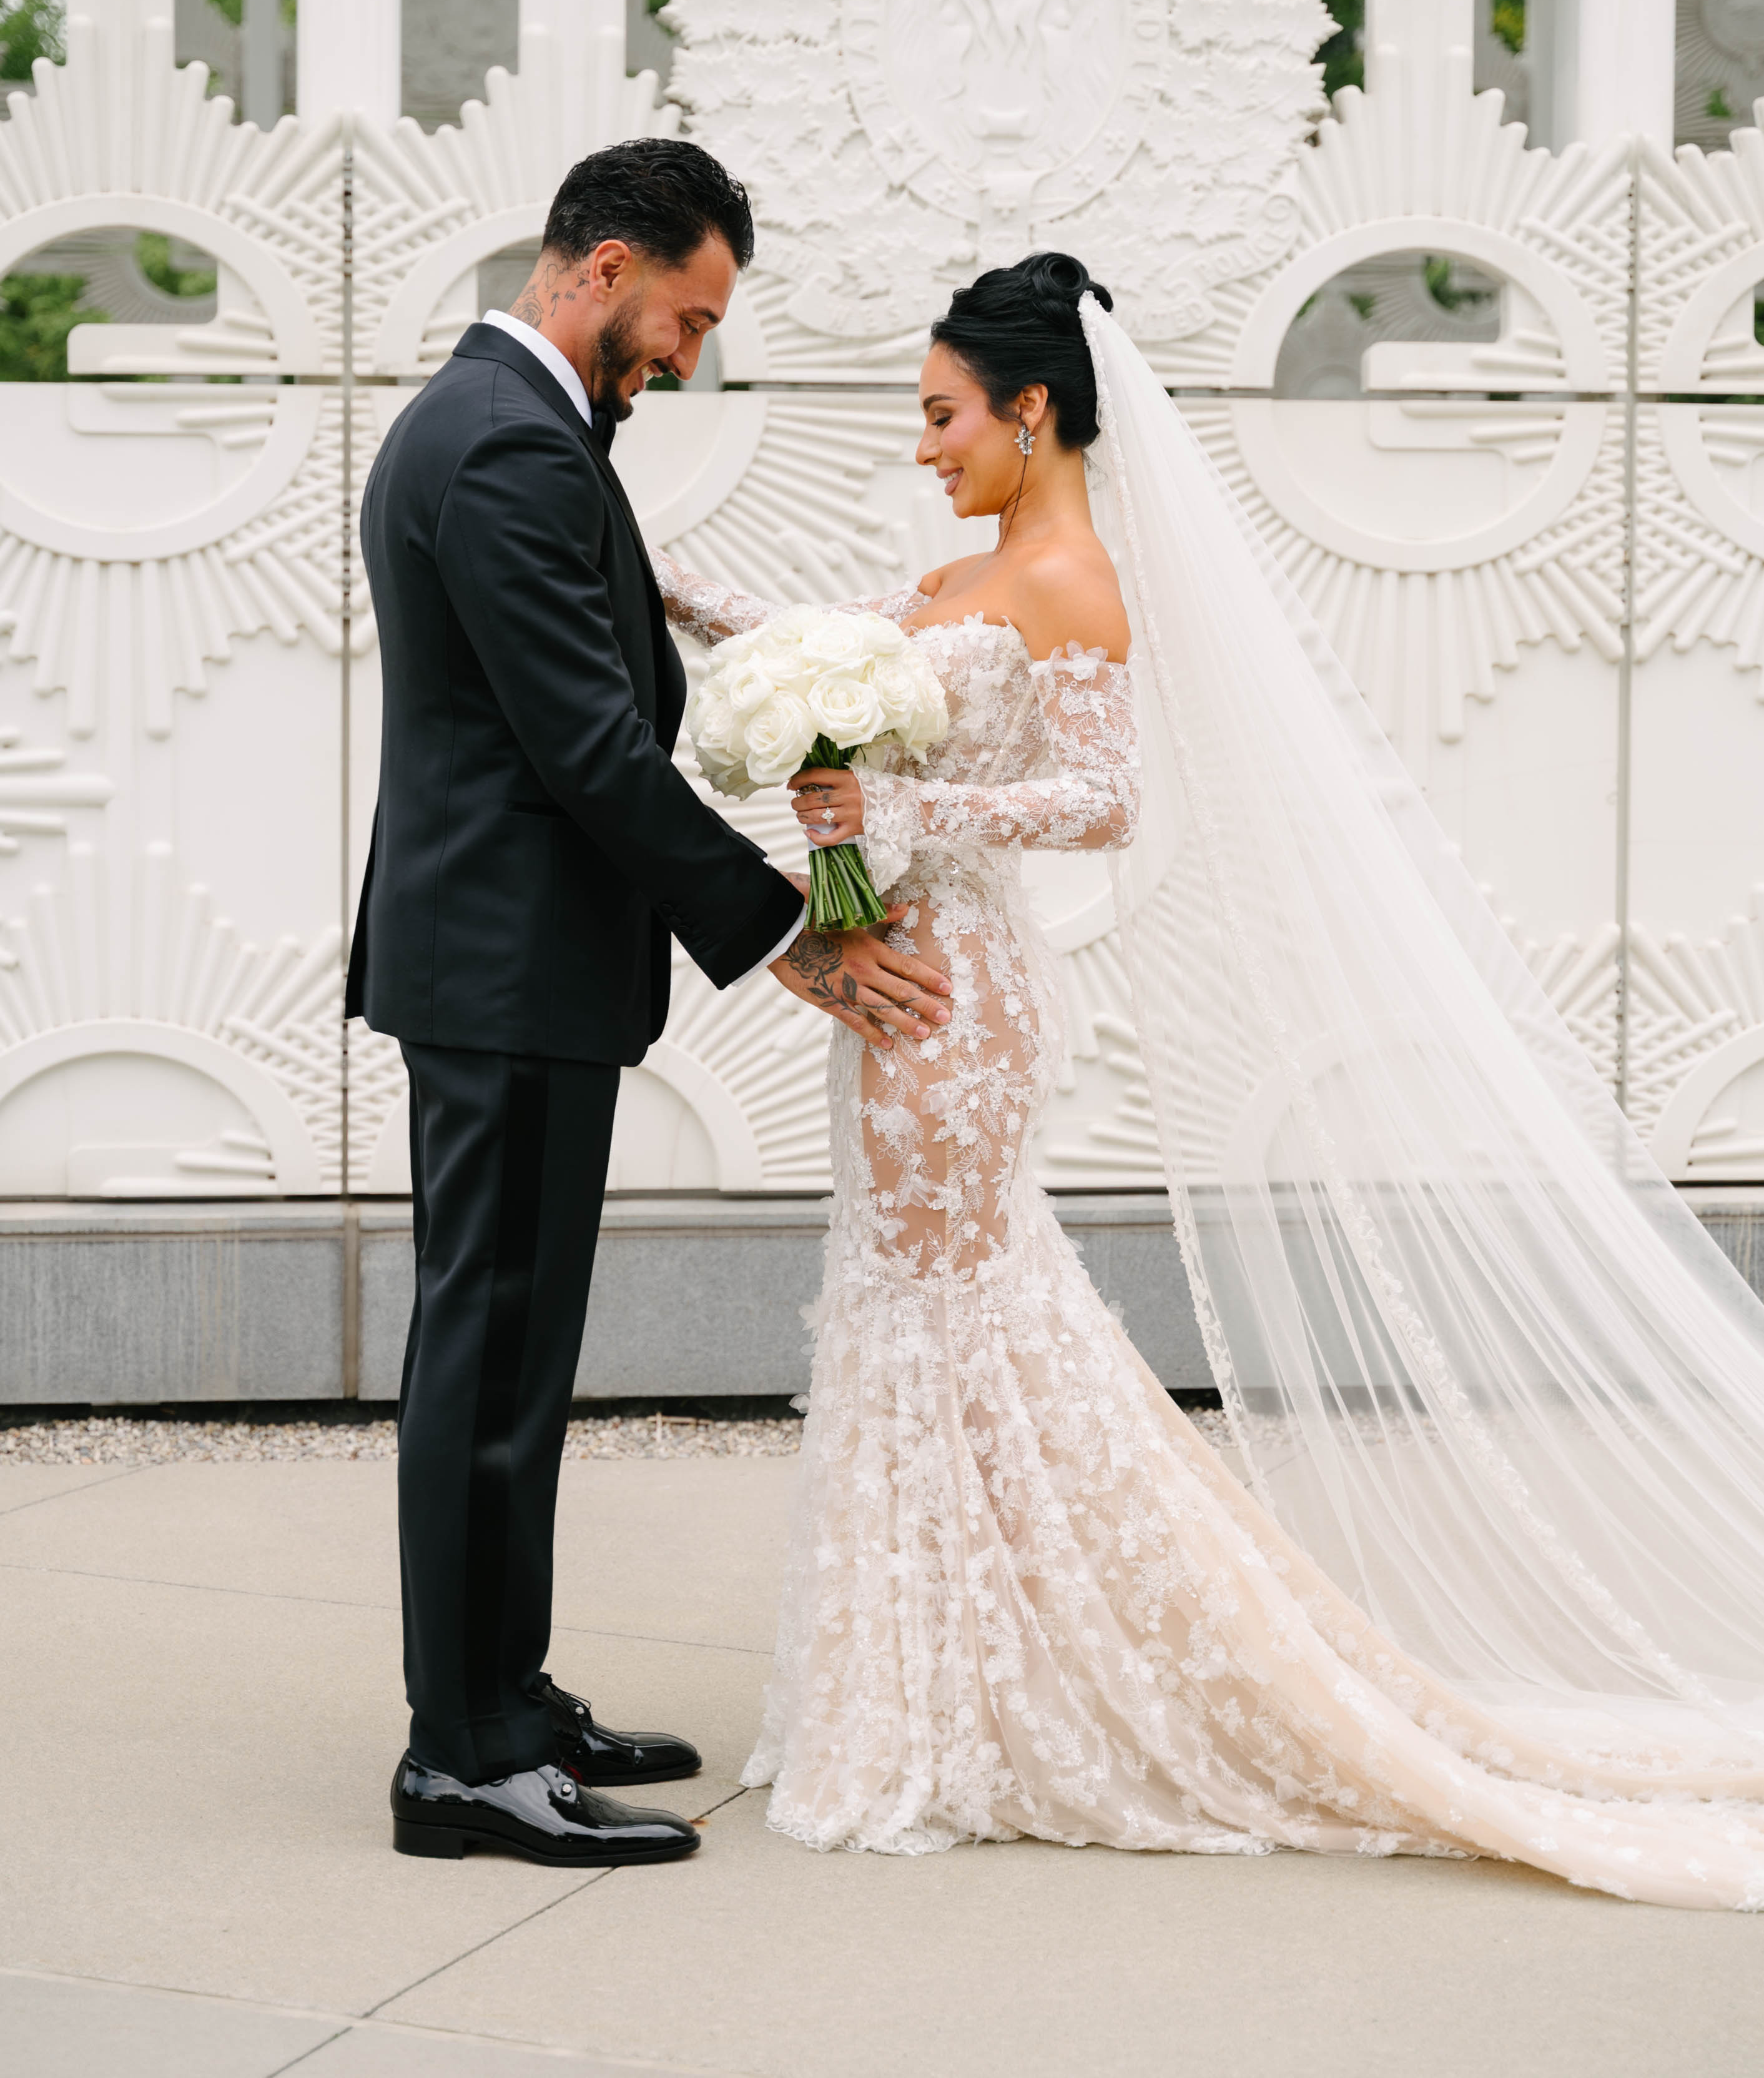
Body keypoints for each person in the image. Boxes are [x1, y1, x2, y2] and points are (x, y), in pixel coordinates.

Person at [654, 249, 1764, 1909]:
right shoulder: (965, 570)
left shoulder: (1074, 580)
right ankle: (937, 1676)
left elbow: (1098, 800)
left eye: (944, 415)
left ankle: (994, 1688)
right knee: (914, 1304)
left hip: (963, 1001)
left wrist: (896, 821)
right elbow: (817, 658)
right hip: (895, 986)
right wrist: (661, 586)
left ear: (1033, 411)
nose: (922, 445)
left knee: (952, 1308)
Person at [347, 139, 951, 1869]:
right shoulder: (504, 444)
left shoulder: (510, 425)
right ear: (600, 267)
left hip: (511, 959)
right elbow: (588, 748)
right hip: (506, 964)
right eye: (684, 315)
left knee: (516, 1349)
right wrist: (792, 933)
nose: (688, 353)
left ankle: (503, 1694)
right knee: (489, 1353)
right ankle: (459, 1758)